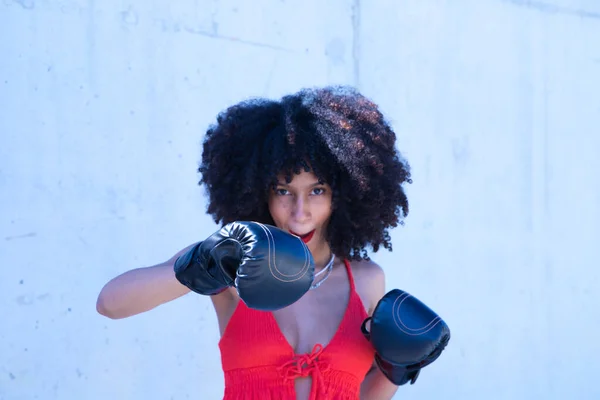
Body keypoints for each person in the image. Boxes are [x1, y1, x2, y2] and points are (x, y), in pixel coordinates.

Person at [96, 86, 450, 400]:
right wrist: (199, 263)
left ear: (343, 193)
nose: (300, 213)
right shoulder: (234, 265)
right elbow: (110, 304)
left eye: (317, 191)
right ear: (259, 192)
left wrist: (394, 372)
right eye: (284, 191)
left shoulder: (368, 282)